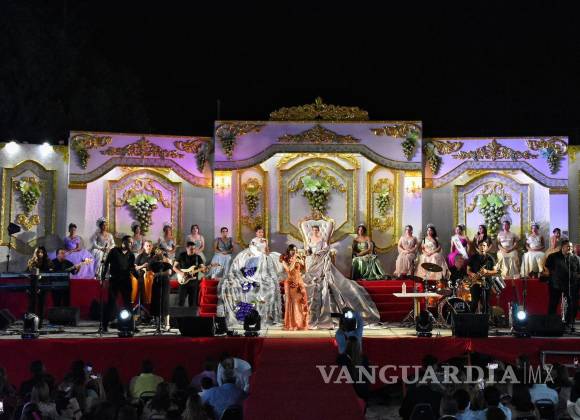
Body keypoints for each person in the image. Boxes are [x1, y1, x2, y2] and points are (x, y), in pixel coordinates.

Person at [303, 224, 380, 328]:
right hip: (312, 259)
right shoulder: (310, 239)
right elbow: (308, 249)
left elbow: (326, 248)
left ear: (318, 230)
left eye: (316, 230)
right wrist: (308, 252)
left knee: (326, 277)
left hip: (320, 258)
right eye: (313, 230)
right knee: (309, 277)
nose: (315, 231)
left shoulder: (321, 239)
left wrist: (318, 253)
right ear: (312, 231)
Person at [217, 226, 283, 326]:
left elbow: (267, 251)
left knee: (272, 260)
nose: (261, 234)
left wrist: (266, 252)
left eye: (262, 232)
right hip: (256, 257)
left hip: (263, 257)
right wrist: (260, 254)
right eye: (259, 232)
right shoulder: (253, 240)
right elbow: (253, 250)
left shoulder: (265, 240)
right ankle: (253, 276)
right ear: (256, 233)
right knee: (253, 263)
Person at [101, 235, 137, 332]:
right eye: (130, 242)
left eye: (132, 242)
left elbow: (132, 269)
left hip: (126, 281)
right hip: (115, 281)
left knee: (128, 304)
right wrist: (103, 278)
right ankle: (104, 325)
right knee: (111, 303)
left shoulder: (131, 255)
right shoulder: (114, 251)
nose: (131, 244)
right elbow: (106, 264)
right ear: (124, 242)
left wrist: (138, 276)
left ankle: (130, 326)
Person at [545, 239, 580, 328]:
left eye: (571, 247)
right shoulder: (553, 256)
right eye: (568, 246)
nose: (570, 248)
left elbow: (578, 272)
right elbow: (548, 268)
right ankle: (551, 322)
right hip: (556, 284)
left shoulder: (576, 258)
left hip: (571, 285)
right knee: (553, 303)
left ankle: (569, 322)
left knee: (572, 303)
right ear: (562, 247)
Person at [280, 244, 308, 330]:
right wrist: (295, 260)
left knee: (300, 302)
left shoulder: (297, 258)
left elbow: (304, 270)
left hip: (298, 282)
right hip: (289, 283)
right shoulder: (283, 258)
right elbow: (289, 269)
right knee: (291, 303)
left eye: (295, 250)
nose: (294, 252)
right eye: (293, 250)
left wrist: (303, 260)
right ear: (289, 250)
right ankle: (291, 324)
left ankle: (299, 323)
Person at [467, 239, 498, 314]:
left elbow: (495, 271)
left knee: (486, 303)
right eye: (480, 245)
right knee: (474, 302)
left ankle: (486, 319)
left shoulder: (490, 258)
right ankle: (471, 318)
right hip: (475, 282)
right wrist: (473, 274)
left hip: (487, 283)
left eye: (484, 245)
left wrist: (487, 271)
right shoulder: (473, 257)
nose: (482, 247)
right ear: (478, 247)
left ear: (487, 247)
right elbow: (468, 271)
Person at [174, 241, 205, 313]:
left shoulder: (198, 257)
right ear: (187, 248)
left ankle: (191, 317)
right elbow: (174, 267)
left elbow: (202, 269)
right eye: (191, 249)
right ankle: (179, 317)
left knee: (193, 303)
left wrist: (204, 269)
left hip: (194, 283)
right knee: (181, 302)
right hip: (183, 282)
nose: (193, 250)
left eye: (194, 249)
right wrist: (181, 273)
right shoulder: (182, 255)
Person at [26, 246, 52, 327]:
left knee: (41, 304)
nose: (40, 254)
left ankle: (39, 323)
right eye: (39, 252)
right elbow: (27, 272)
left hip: (43, 285)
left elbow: (50, 273)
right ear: (36, 253)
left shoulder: (48, 261)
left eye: (42, 252)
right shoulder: (31, 261)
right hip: (33, 285)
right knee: (32, 304)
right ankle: (31, 322)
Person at [149, 249, 173, 330]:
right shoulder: (154, 262)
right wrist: (153, 259)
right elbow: (150, 270)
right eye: (157, 252)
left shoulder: (167, 261)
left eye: (160, 252)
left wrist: (158, 274)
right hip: (156, 283)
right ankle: (158, 324)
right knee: (156, 303)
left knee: (165, 302)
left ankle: (167, 324)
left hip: (165, 283)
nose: (158, 253)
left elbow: (169, 272)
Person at [133, 240, 154, 306]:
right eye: (147, 246)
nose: (148, 247)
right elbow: (135, 268)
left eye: (150, 246)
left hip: (154, 276)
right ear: (144, 247)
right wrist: (142, 266)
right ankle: (144, 303)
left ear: (152, 247)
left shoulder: (155, 256)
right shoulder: (140, 256)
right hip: (142, 277)